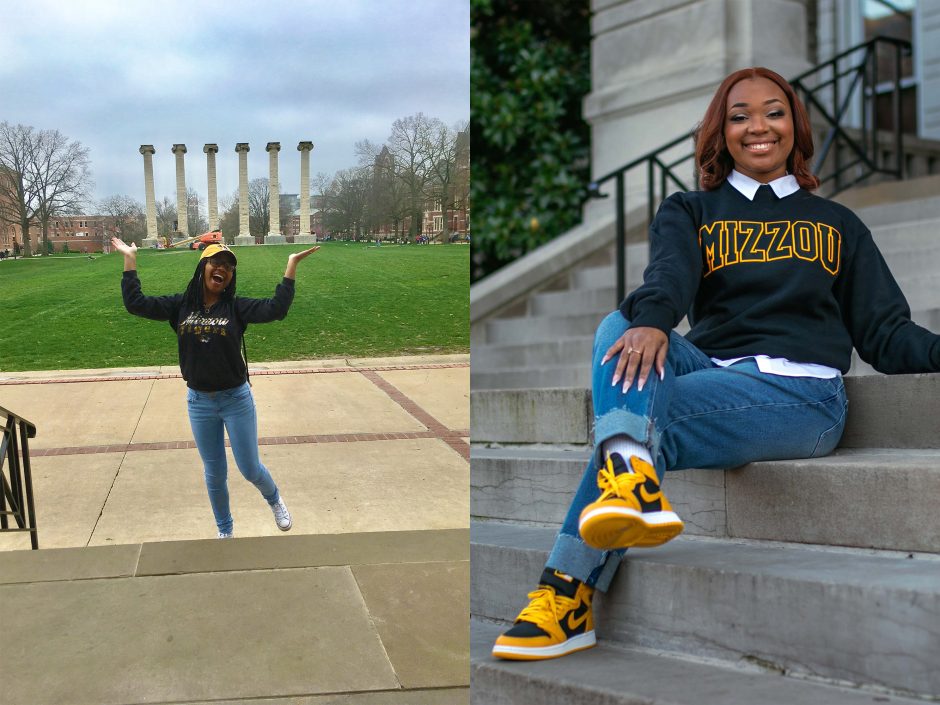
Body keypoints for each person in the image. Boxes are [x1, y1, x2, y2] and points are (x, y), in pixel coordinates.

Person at [491, 66, 940, 661]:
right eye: (740, 115)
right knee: (621, 327)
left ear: (795, 126)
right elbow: (668, 280)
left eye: (774, 112)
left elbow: (886, 336)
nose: (759, 126)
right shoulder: (690, 210)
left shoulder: (839, 225)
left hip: (801, 397)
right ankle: (628, 475)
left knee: (649, 414)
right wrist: (653, 321)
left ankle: (567, 592)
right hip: (709, 364)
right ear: (720, 133)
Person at [111, 237, 320, 539]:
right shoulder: (180, 305)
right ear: (202, 268)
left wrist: (291, 266)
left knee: (249, 468)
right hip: (200, 403)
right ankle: (225, 532)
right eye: (216, 263)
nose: (222, 270)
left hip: (236, 399)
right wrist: (130, 259)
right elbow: (136, 304)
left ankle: (274, 499)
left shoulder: (236, 308)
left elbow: (276, 309)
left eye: (229, 268)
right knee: (215, 474)